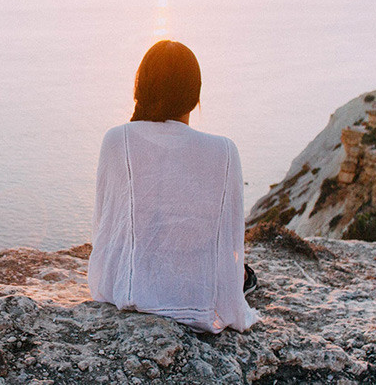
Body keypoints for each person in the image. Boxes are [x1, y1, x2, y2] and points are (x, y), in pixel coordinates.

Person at [88, 40, 259, 333]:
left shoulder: (116, 140)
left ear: (140, 88)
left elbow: (105, 228)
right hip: (197, 291)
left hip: (129, 288)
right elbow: (230, 237)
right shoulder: (225, 151)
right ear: (194, 96)